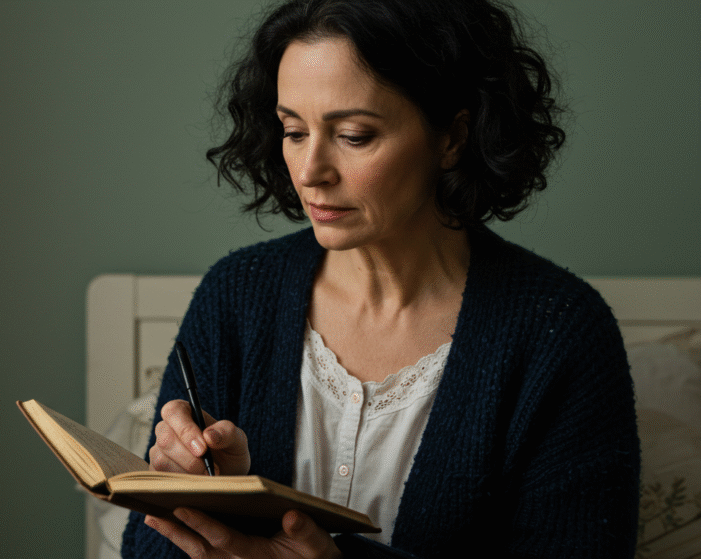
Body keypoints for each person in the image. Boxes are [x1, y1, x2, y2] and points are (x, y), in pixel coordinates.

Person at [121, 0, 640, 557]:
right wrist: (198, 497)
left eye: (354, 135)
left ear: (453, 138)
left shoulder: (559, 333)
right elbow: (144, 551)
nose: (310, 171)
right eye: (293, 131)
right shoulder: (235, 295)